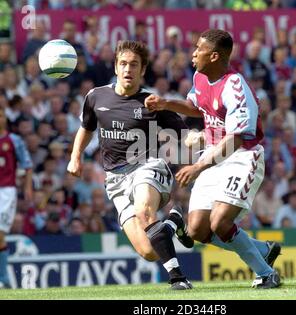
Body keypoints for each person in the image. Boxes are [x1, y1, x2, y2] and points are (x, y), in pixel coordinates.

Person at [145, 29, 281, 289]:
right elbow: (196, 107)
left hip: (241, 157)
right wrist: (166, 104)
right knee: (197, 231)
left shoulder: (236, 87)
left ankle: (265, 273)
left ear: (215, 56)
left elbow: (237, 139)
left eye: (199, 49)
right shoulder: (200, 76)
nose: (193, 53)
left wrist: (198, 166)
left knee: (220, 222)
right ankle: (262, 249)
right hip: (212, 155)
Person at [67, 40, 193, 290]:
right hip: (115, 179)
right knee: (149, 251)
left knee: (145, 212)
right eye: (123, 63)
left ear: (142, 70)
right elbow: (86, 129)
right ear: (115, 67)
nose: (128, 69)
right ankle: (173, 221)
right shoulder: (95, 97)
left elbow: (183, 133)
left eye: (134, 64)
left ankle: (178, 278)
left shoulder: (153, 102)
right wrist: (75, 157)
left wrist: (196, 138)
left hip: (148, 166)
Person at [0, 107, 33, 288]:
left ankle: (3, 278)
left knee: (0, 234)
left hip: (6, 192)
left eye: (1, 115)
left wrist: (27, 187)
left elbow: (27, 164)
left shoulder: (13, 140)